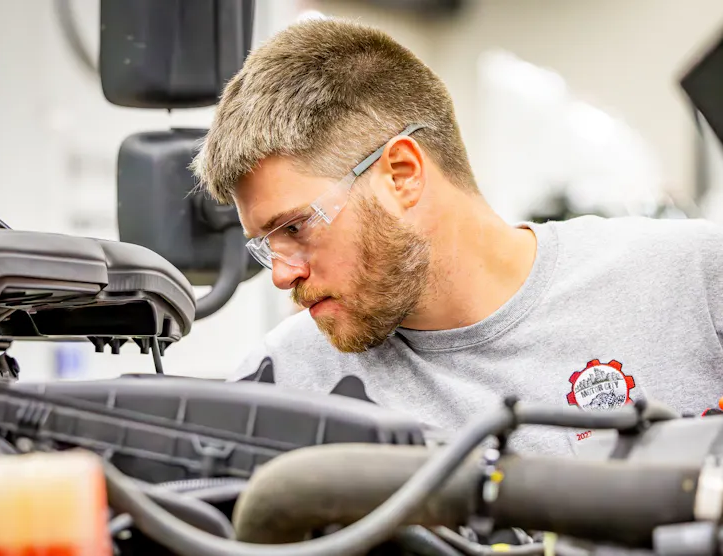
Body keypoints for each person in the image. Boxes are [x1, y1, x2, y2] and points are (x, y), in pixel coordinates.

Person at [190, 17, 723, 456]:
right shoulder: (284, 380)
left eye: (295, 227)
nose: (282, 274)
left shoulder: (693, 281)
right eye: (265, 244)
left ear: (400, 173)